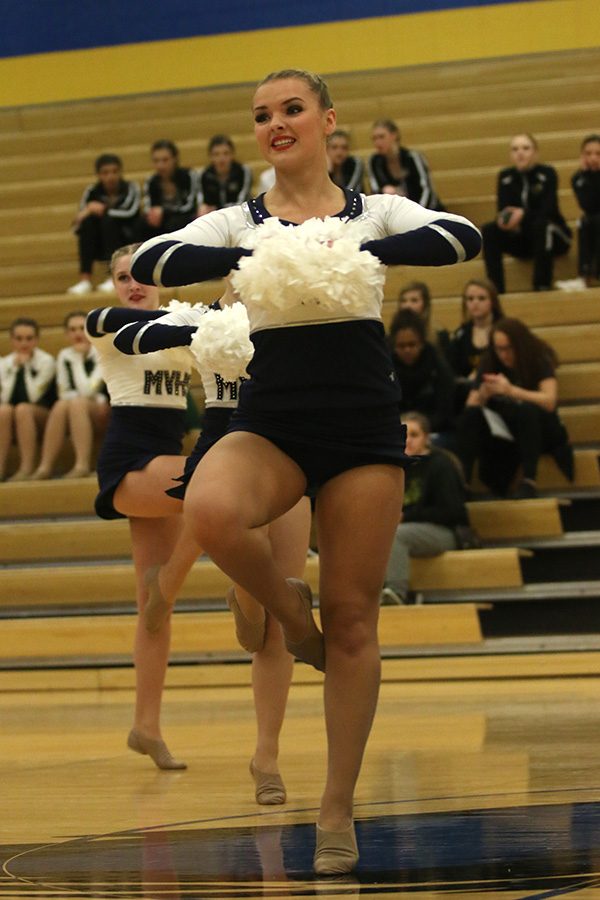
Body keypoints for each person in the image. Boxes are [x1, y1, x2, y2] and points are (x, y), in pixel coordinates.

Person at [131, 68, 481, 875]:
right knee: (213, 513)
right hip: (273, 423)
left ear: (329, 121)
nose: (277, 124)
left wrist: (348, 240)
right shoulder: (239, 218)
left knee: (355, 620)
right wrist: (261, 244)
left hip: (361, 430)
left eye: (292, 110)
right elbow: (155, 258)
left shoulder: (376, 208)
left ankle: (335, 806)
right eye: (263, 115)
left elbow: (462, 236)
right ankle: (288, 608)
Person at [113, 289, 312, 806]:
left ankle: (266, 756)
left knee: (281, 623)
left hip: (295, 453)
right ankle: (240, 596)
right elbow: (135, 331)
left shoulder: (304, 321)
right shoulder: (200, 320)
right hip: (229, 447)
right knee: (259, 571)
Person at [86, 243, 195, 771]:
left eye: (143, 276)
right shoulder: (108, 325)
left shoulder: (183, 324)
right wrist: (201, 325)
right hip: (129, 465)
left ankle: (145, 726)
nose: (134, 284)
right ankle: (168, 582)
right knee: (211, 492)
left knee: (154, 612)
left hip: (163, 461)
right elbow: (105, 316)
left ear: (162, 279)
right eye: (124, 277)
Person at [456, 317, 573, 498]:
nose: (504, 355)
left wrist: (511, 391)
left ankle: (529, 480)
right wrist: (483, 395)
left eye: (508, 348)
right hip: (509, 429)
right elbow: (470, 405)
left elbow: (549, 401)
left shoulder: (538, 357)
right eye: (498, 349)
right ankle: (462, 484)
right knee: (471, 416)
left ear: (519, 345)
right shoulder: (490, 361)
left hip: (543, 428)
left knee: (526, 410)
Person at [382, 412, 468, 605]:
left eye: (414, 435)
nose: (408, 441)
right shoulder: (394, 466)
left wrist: (407, 517)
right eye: (403, 435)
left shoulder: (441, 464)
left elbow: (452, 512)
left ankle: (396, 593)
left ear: (426, 438)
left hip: (445, 532)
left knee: (396, 534)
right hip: (409, 529)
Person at [481, 133, 572, 294]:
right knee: (489, 230)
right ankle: (496, 291)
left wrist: (523, 215)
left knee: (541, 225)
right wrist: (505, 220)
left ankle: (541, 286)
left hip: (553, 235)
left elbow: (548, 210)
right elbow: (503, 210)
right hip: (523, 238)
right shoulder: (505, 177)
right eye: (515, 149)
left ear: (536, 153)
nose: (520, 153)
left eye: (525, 148)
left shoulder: (547, 173)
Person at [31, 311, 110, 479]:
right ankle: (44, 467)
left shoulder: (101, 352)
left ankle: (82, 465)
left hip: (107, 411)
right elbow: (63, 392)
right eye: (73, 329)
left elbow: (90, 390)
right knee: (61, 405)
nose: (78, 333)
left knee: (76, 403)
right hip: (79, 408)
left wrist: (76, 361)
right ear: (67, 334)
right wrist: (74, 357)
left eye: (82, 328)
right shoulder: (64, 355)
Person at [67, 154, 141, 295]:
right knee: (87, 225)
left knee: (109, 221)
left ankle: (111, 275)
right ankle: (85, 280)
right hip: (101, 240)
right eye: (105, 173)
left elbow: (131, 212)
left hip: (127, 237)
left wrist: (103, 210)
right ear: (98, 175)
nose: (110, 177)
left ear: (120, 172)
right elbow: (80, 219)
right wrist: (89, 210)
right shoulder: (92, 191)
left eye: (114, 171)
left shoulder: (131, 187)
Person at [0, 317, 56, 481]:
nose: (24, 343)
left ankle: (26, 467)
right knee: (3, 411)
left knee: (23, 409)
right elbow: (5, 398)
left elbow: (32, 396)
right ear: (12, 340)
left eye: (29, 338)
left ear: (36, 340)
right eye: (19, 339)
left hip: (43, 416)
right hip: (12, 415)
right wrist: (15, 368)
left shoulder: (46, 361)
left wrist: (24, 369)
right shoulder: (4, 363)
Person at [389, 310, 455, 445]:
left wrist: (419, 431)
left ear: (421, 343)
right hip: (396, 430)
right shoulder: (385, 368)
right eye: (401, 346)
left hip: (433, 431)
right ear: (394, 346)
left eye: (412, 345)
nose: (407, 350)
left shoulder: (438, 367)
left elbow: (445, 410)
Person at [445, 278, 504, 410]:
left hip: (500, 390)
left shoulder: (505, 330)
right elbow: (451, 370)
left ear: (493, 302)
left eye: (481, 298)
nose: (475, 303)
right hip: (467, 391)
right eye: (470, 299)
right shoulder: (460, 335)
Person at [367, 118, 444, 210]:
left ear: (394, 135)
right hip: (397, 215)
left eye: (381, 137)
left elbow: (426, 189)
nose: (377, 142)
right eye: (374, 139)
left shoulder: (413, 157)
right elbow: (376, 191)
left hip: (425, 210)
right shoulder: (374, 161)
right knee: (388, 191)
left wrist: (419, 213)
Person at [137, 140, 198, 240]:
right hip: (163, 220)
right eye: (156, 161)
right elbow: (149, 208)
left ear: (175, 159)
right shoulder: (152, 181)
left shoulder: (188, 175)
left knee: (175, 223)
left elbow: (190, 207)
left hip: (184, 218)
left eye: (165, 160)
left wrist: (164, 211)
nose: (160, 165)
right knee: (142, 223)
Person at [564, 133, 600, 289]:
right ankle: (585, 275)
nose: (593, 158)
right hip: (595, 219)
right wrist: (587, 175)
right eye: (588, 153)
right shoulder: (578, 178)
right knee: (585, 221)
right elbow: (589, 206)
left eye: (598, 154)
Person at [197, 134, 252, 216]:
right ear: (210, 157)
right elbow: (202, 204)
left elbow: (241, 203)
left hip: (240, 215)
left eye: (226, 153)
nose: (221, 159)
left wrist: (216, 209)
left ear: (232, 155)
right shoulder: (204, 175)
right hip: (213, 219)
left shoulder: (243, 171)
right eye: (216, 154)